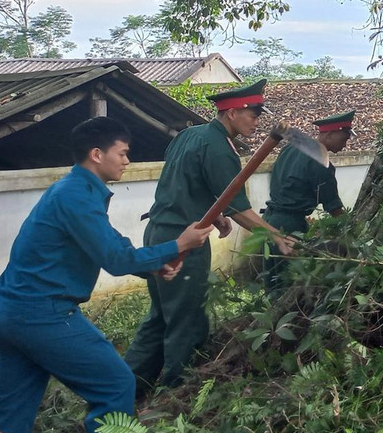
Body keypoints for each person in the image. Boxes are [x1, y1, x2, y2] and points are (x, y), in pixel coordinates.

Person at [0, 118, 213, 433]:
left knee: (10, 411)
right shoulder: (76, 196)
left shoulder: (75, 191)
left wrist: (156, 264)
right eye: (122, 153)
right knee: (114, 383)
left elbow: (113, 245)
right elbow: (113, 257)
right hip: (43, 314)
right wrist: (176, 245)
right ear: (97, 154)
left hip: (11, 312)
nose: (127, 161)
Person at [124, 80, 294, 392]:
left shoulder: (190, 135)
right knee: (186, 321)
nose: (257, 120)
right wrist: (275, 236)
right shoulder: (220, 150)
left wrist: (215, 215)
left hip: (158, 231)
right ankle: (177, 394)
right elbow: (240, 208)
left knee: (161, 317)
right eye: (253, 113)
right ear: (231, 113)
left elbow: (187, 181)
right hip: (183, 241)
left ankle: (127, 389)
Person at [261, 110, 353, 292]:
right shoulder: (321, 162)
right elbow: (334, 208)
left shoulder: (289, 148)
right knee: (287, 282)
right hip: (289, 226)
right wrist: (351, 232)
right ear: (328, 134)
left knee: (272, 279)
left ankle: (269, 315)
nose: (345, 144)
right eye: (343, 138)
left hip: (268, 221)